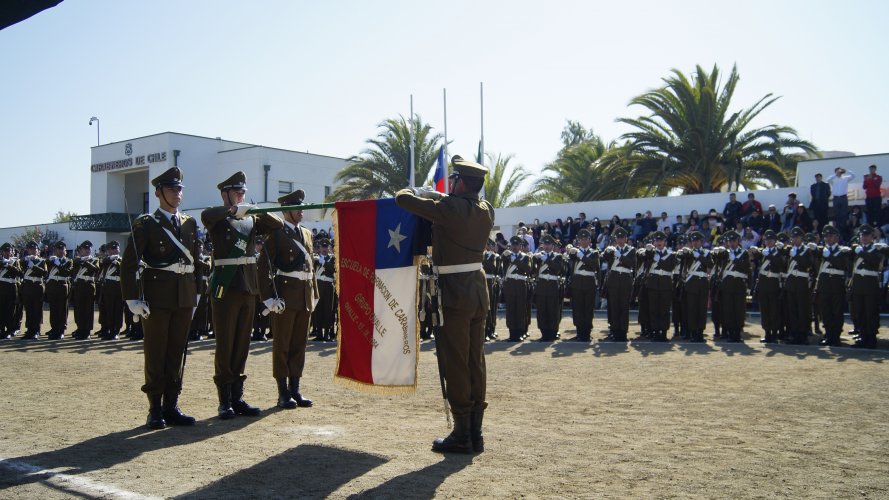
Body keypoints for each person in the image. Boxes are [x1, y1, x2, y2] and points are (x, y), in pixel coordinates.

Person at [395, 155, 495, 454]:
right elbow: (455, 204)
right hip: (477, 290)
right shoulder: (485, 210)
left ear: (461, 182)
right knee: (475, 360)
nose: (451, 184)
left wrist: (417, 191)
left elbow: (403, 200)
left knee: (455, 361)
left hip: (454, 293)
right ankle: (475, 432)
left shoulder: (449, 208)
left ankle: (461, 433)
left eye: (454, 180)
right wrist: (437, 195)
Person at [121, 167, 200, 430]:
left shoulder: (189, 222)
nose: (177, 194)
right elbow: (129, 263)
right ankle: (155, 408)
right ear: (158, 193)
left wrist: (197, 291)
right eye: (171, 189)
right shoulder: (146, 223)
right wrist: (133, 298)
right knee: (156, 351)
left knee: (177, 352)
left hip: (184, 295)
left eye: (179, 189)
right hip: (156, 296)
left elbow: (197, 261)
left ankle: (172, 405)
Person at [202, 171, 283, 419]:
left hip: (248, 287)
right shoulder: (217, 218)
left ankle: (237, 396)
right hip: (226, 288)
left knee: (242, 345)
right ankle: (224, 399)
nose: (241, 195)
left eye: (243, 192)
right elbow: (206, 216)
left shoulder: (250, 220)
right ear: (224, 194)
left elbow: (277, 224)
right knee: (225, 344)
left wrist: (254, 209)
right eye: (236, 192)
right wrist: (231, 211)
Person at [257, 189, 318, 410]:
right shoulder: (277, 234)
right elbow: (263, 266)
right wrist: (268, 298)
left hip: (304, 296)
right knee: (282, 344)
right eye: (297, 207)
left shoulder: (307, 234)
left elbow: (310, 267)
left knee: (299, 345)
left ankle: (295, 389)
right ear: (286, 210)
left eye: (302, 206)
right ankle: (283, 392)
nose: (302, 210)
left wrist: (315, 294)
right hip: (284, 296)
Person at [849, 224, 887, 348]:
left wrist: (863, 253)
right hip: (858, 284)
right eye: (862, 235)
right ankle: (862, 336)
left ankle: (871, 338)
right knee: (859, 312)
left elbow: (876, 262)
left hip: (871, 285)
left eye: (867, 235)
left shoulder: (877, 249)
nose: (864, 238)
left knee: (870, 311)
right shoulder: (856, 249)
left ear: (872, 237)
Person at [636, 231, 679, 342]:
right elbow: (641, 258)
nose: (659, 242)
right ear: (654, 242)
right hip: (653, 284)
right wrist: (648, 251)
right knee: (653, 309)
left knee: (664, 309)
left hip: (665, 285)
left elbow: (670, 267)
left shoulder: (671, 254)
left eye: (661, 240)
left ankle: (663, 332)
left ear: (665, 242)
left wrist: (658, 259)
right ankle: (655, 332)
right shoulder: (650, 253)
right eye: (657, 241)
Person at [815, 225, 852, 346]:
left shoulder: (843, 251)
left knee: (837, 311)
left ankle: (836, 336)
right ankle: (828, 334)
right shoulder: (822, 250)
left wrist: (829, 256)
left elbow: (843, 265)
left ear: (837, 237)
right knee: (825, 311)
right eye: (826, 236)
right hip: (824, 285)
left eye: (830, 236)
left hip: (837, 285)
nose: (827, 238)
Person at [711, 230, 751, 342]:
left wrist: (735, 259)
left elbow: (746, 269)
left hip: (739, 286)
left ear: (738, 241)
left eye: (733, 241)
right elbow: (716, 262)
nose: (731, 243)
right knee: (728, 310)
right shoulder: (725, 253)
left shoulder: (744, 253)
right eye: (730, 241)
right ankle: (730, 332)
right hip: (727, 286)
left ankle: (737, 333)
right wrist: (716, 253)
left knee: (738, 310)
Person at [748, 230, 786, 343]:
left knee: (774, 310)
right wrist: (755, 251)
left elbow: (781, 264)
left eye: (770, 240)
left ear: (775, 241)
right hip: (763, 284)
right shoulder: (763, 252)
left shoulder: (779, 252)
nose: (768, 242)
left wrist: (768, 254)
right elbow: (754, 257)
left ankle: (774, 333)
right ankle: (767, 332)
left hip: (773, 284)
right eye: (766, 240)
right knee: (764, 310)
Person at [782, 227, 816, 344]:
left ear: (802, 238)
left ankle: (803, 334)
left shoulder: (807, 250)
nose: (795, 239)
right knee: (792, 310)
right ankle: (794, 333)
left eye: (797, 237)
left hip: (802, 283)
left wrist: (796, 255)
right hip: (791, 283)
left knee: (802, 310)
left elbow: (808, 264)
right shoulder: (790, 250)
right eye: (793, 238)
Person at [601, 226, 636, 342]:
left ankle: (623, 332)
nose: (620, 240)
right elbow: (604, 258)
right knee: (614, 307)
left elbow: (631, 264)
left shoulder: (631, 250)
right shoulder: (611, 249)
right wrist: (608, 251)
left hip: (625, 280)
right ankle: (615, 331)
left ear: (626, 238)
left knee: (624, 307)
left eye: (622, 238)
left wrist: (620, 255)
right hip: (614, 280)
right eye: (618, 238)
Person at [676, 231, 712, 342]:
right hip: (691, 284)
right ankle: (693, 332)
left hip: (703, 284)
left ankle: (700, 332)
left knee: (701, 309)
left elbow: (710, 265)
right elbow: (681, 259)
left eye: (697, 241)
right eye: (693, 241)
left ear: (701, 242)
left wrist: (699, 257)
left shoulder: (706, 253)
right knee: (692, 309)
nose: (695, 243)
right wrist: (685, 252)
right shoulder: (688, 253)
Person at [565, 229, 599, 342]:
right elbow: (569, 267)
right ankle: (579, 332)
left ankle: (587, 333)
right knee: (578, 309)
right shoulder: (574, 252)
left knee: (588, 309)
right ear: (578, 240)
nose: (584, 241)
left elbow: (593, 266)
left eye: (586, 239)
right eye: (581, 239)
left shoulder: (594, 253)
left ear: (590, 241)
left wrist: (581, 256)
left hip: (589, 283)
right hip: (577, 283)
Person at [532, 234, 565, 342]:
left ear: (552, 245)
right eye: (544, 244)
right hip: (541, 285)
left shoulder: (558, 256)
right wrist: (534, 259)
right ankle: (544, 333)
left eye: (548, 244)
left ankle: (552, 332)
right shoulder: (539, 256)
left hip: (552, 286)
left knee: (552, 310)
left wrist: (546, 259)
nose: (546, 246)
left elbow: (558, 269)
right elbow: (532, 270)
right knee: (542, 311)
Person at [501, 236, 532, 342]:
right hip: (510, 286)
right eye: (513, 245)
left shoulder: (526, 257)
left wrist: (516, 260)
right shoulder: (507, 256)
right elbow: (502, 263)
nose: (514, 247)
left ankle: (519, 333)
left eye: (517, 245)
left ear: (520, 246)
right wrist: (508, 256)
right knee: (510, 310)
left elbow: (527, 269)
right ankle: (511, 334)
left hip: (520, 286)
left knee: (520, 310)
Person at [70, 241, 99, 340]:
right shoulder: (76, 261)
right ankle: (80, 329)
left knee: (88, 310)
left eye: (89, 249)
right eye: (85, 249)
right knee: (79, 310)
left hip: (89, 287)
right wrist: (81, 260)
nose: (87, 251)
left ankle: (87, 332)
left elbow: (95, 270)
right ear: (80, 250)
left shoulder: (94, 260)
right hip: (79, 287)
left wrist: (85, 262)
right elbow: (72, 267)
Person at [19, 241, 47, 339]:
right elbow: (18, 271)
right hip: (27, 287)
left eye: (34, 249)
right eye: (31, 249)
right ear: (27, 250)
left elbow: (44, 273)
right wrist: (24, 261)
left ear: (38, 251)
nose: (32, 251)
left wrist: (33, 266)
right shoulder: (24, 261)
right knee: (29, 310)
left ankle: (36, 330)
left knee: (37, 310)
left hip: (37, 287)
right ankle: (29, 330)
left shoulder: (42, 261)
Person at [44, 241, 72, 340]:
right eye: (58, 249)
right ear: (55, 251)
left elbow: (66, 273)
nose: (60, 251)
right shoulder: (51, 261)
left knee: (62, 310)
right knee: (53, 310)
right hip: (52, 287)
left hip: (62, 286)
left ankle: (61, 330)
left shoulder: (68, 261)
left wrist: (59, 265)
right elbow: (45, 268)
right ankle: (54, 329)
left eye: (62, 249)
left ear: (65, 251)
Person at [312, 237, 337, 342]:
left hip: (328, 286)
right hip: (318, 286)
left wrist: (324, 263)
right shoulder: (315, 259)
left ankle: (327, 333)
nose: (324, 249)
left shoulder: (332, 259)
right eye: (322, 247)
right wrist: (319, 261)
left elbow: (333, 269)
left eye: (326, 247)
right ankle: (319, 334)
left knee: (328, 310)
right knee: (318, 310)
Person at [98, 241, 124, 340]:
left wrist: (116, 262)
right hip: (107, 288)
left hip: (118, 287)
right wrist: (110, 259)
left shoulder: (122, 260)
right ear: (108, 251)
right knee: (108, 310)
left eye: (116, 249)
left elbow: (124, 270)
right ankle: (109, 329)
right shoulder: (105, 260)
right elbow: (102, 263)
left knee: (117, 310)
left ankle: (116, 331)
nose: (114, 251)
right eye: (111, 249)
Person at [481, 238, 502, 341]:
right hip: (480, 282)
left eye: (486, 245)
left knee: (490, 309)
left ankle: (489, 330)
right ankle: (483, 331)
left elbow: (492, 268)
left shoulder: (493, 256)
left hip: (490, 284)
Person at [0, 243, 22, 339]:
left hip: (11, 287)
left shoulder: (16, 261)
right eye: (6, 251)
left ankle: (9, 330)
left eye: (9, 251)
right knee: (1, 309)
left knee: (10, 310)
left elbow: (20, 273)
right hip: (1, 286)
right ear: (2, 252)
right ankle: (1, 329)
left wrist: (8, 265)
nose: (8, 253)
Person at [826, 166, 856, 236]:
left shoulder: (845, 178)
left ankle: (844, 229)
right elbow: (827, 180)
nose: (839, 172)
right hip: (836, 198)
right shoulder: (833, 178)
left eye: (839, 171)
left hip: (843, 197)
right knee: (837, 214)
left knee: (844, 214)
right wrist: (835, 174)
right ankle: (838, 229)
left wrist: (846, 170)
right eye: (837, 171)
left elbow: (853, 176)